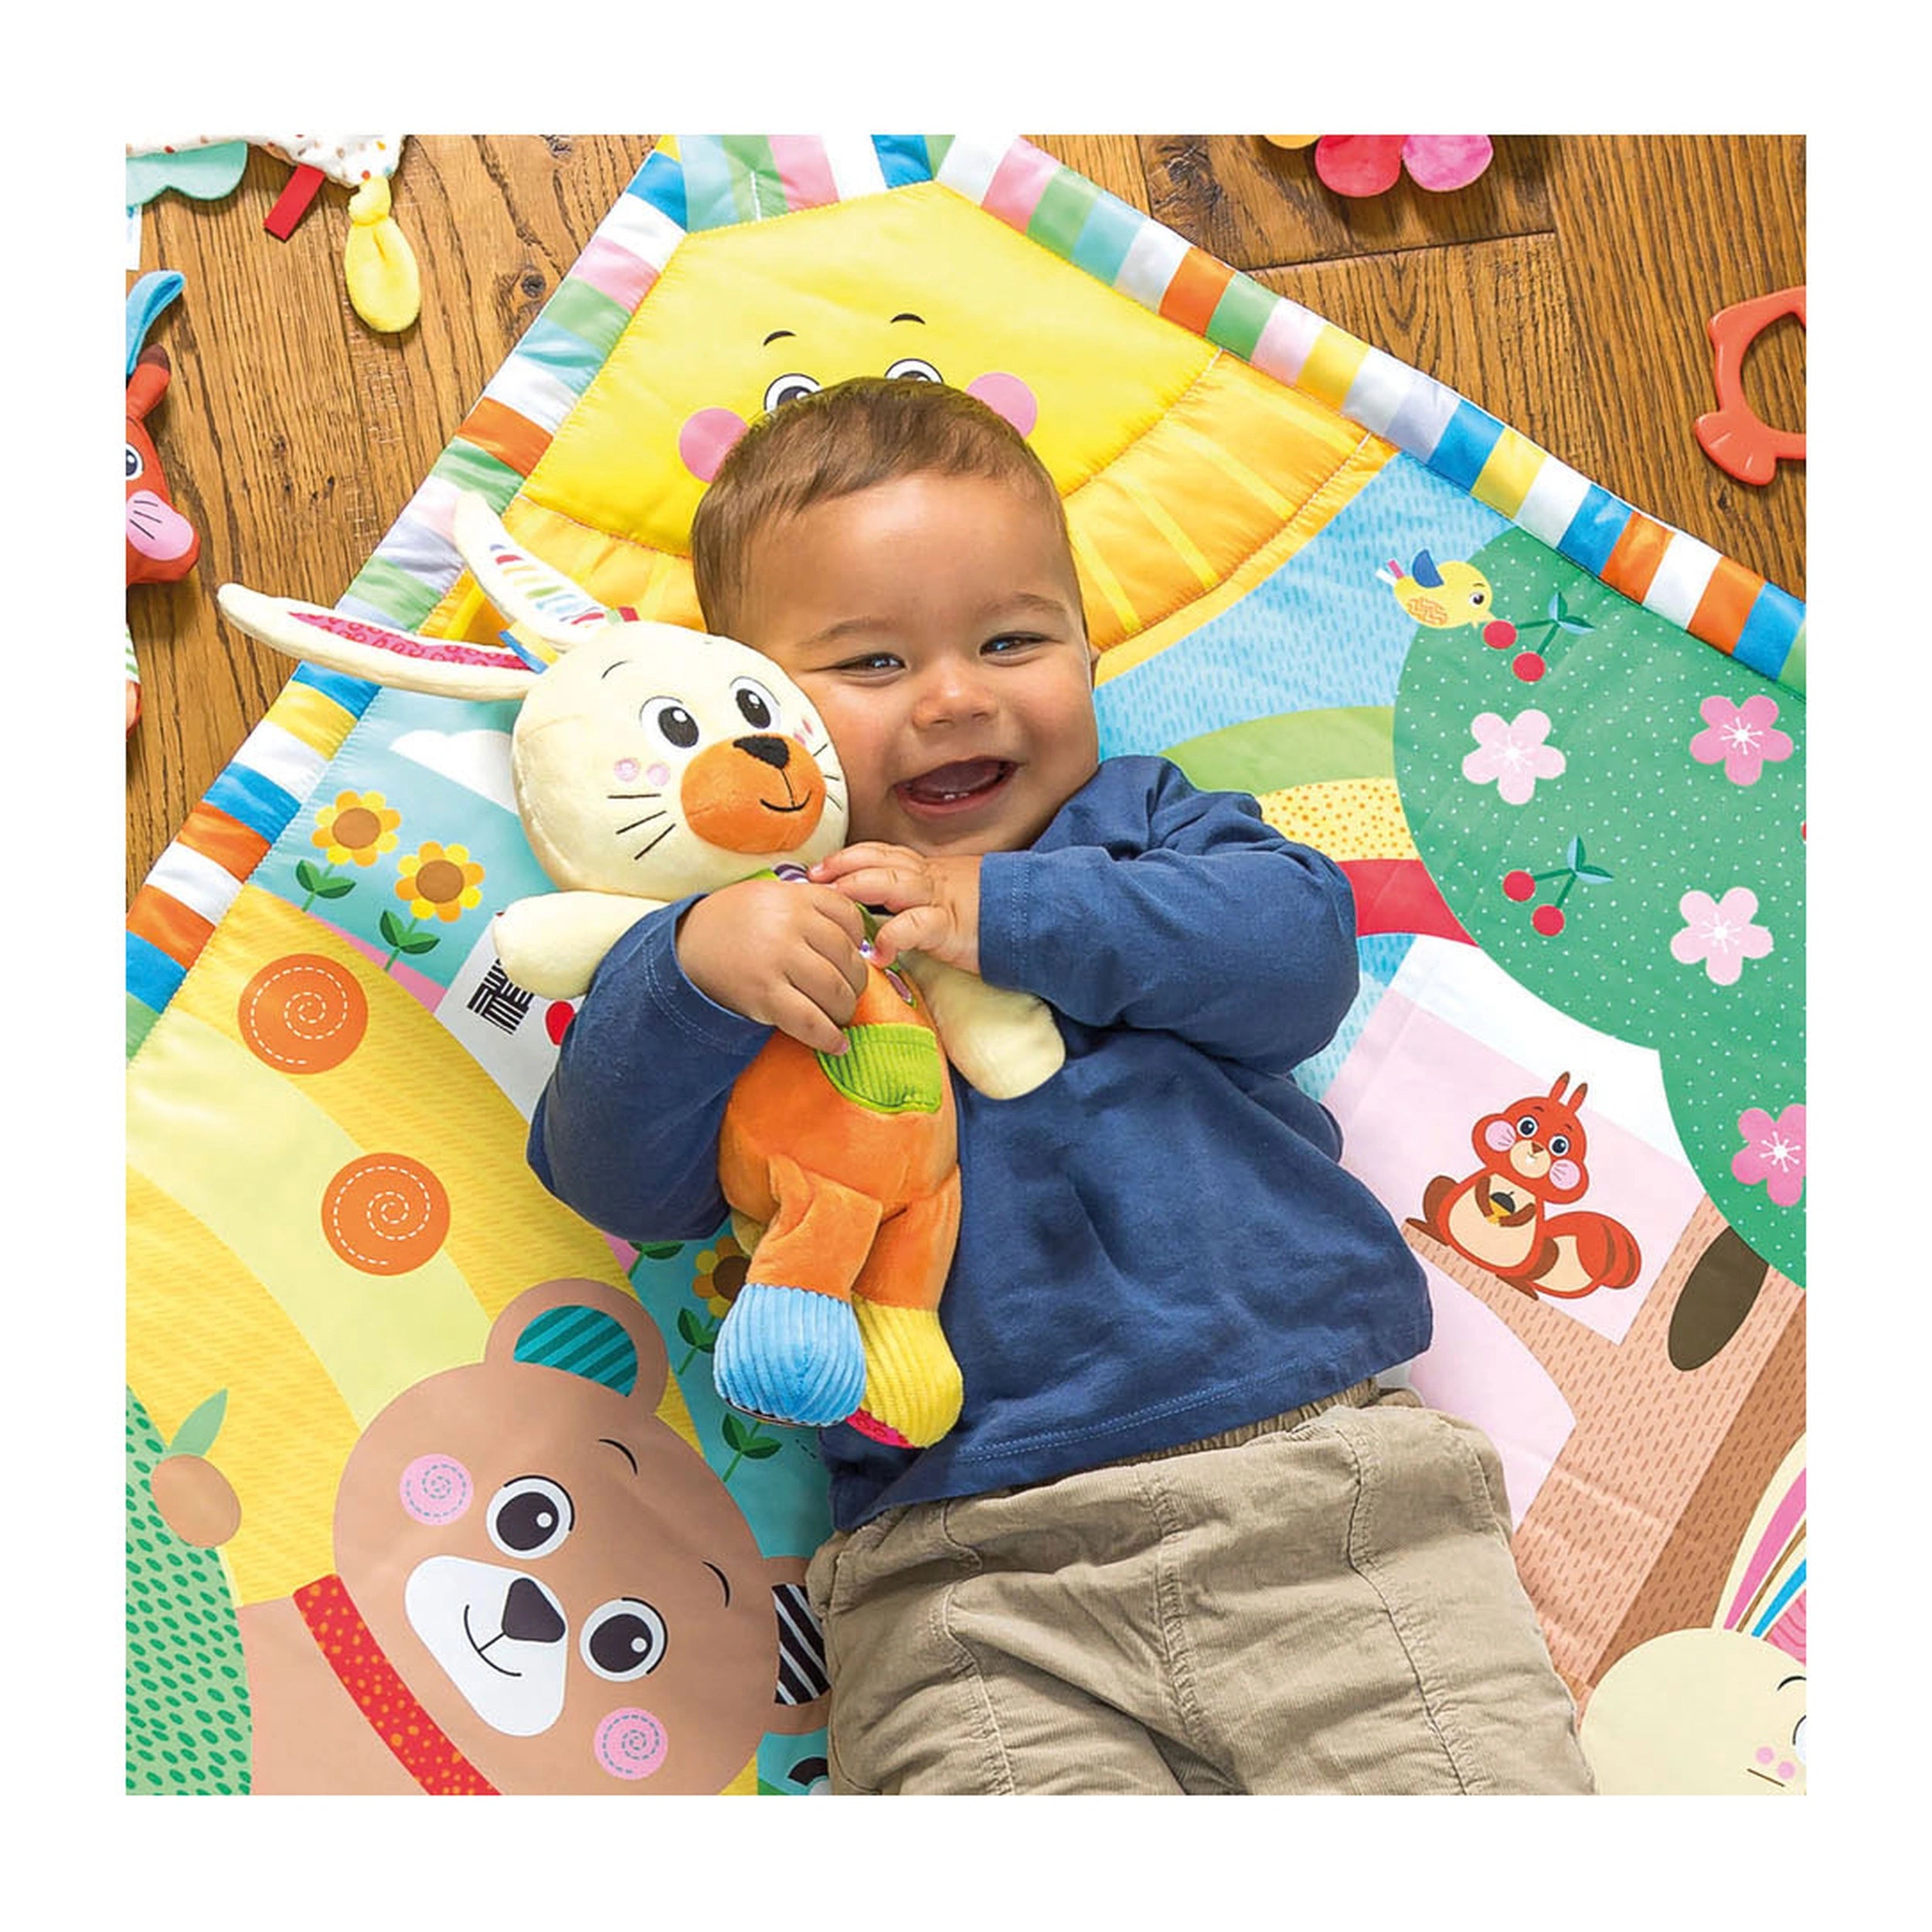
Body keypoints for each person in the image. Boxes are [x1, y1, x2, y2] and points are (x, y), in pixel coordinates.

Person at [529, 376, 1594, 1795]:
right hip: (961, 1586)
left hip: (1320, 1506)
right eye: (873, 663)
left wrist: (1005, 910)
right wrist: (689, 972)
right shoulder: (759, 939)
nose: (957, 695)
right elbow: (613, 1181)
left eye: (1013, 640)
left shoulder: (1139, 826)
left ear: (1089, 652)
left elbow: (1298, 959)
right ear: (760, 703)